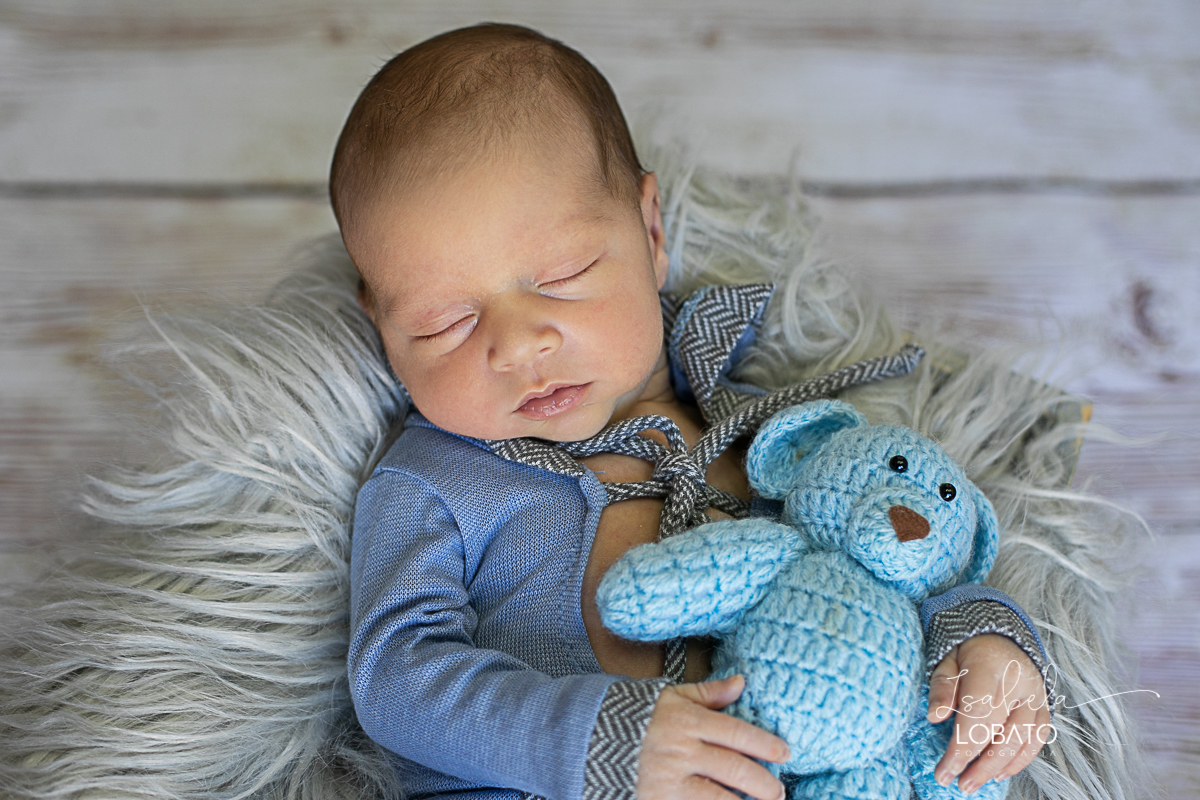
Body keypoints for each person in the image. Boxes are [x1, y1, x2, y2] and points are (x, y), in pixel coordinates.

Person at [332, 22, 1053, 800]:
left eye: (564, 275)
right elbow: (398, 678)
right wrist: (602, 738)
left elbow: (890, 557)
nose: (518, 345)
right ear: (381, 326)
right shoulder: (431, 479)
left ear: (650, 232)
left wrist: (980, 639)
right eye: (444, 322)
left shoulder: (768, 437)